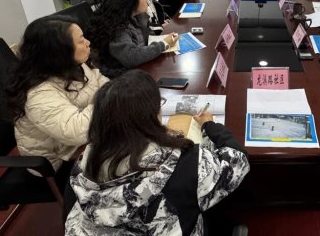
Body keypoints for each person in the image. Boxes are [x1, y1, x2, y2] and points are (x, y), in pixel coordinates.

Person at [65, 70, 250, 235]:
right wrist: (209, 126)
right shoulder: (184, 167)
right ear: (150, 115)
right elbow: (237, 162)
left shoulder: (83, 166)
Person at [5, 15, 108, 185]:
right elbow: (76, 131)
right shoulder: (38, 94)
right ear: (59, 52)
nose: (88, 43)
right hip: (57, 162)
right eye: (81, 40)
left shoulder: (74, 65)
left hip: (82, 141)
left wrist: (107, 95)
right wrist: (107, 98)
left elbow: (101, 81)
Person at [88, 0, 178, 78]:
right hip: (126, 77)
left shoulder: (136, 16)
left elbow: (148, 37)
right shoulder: (116, 27)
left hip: (141, 67)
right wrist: (164, 44)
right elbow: (131, 57)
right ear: (131, 1)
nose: (147, 1)